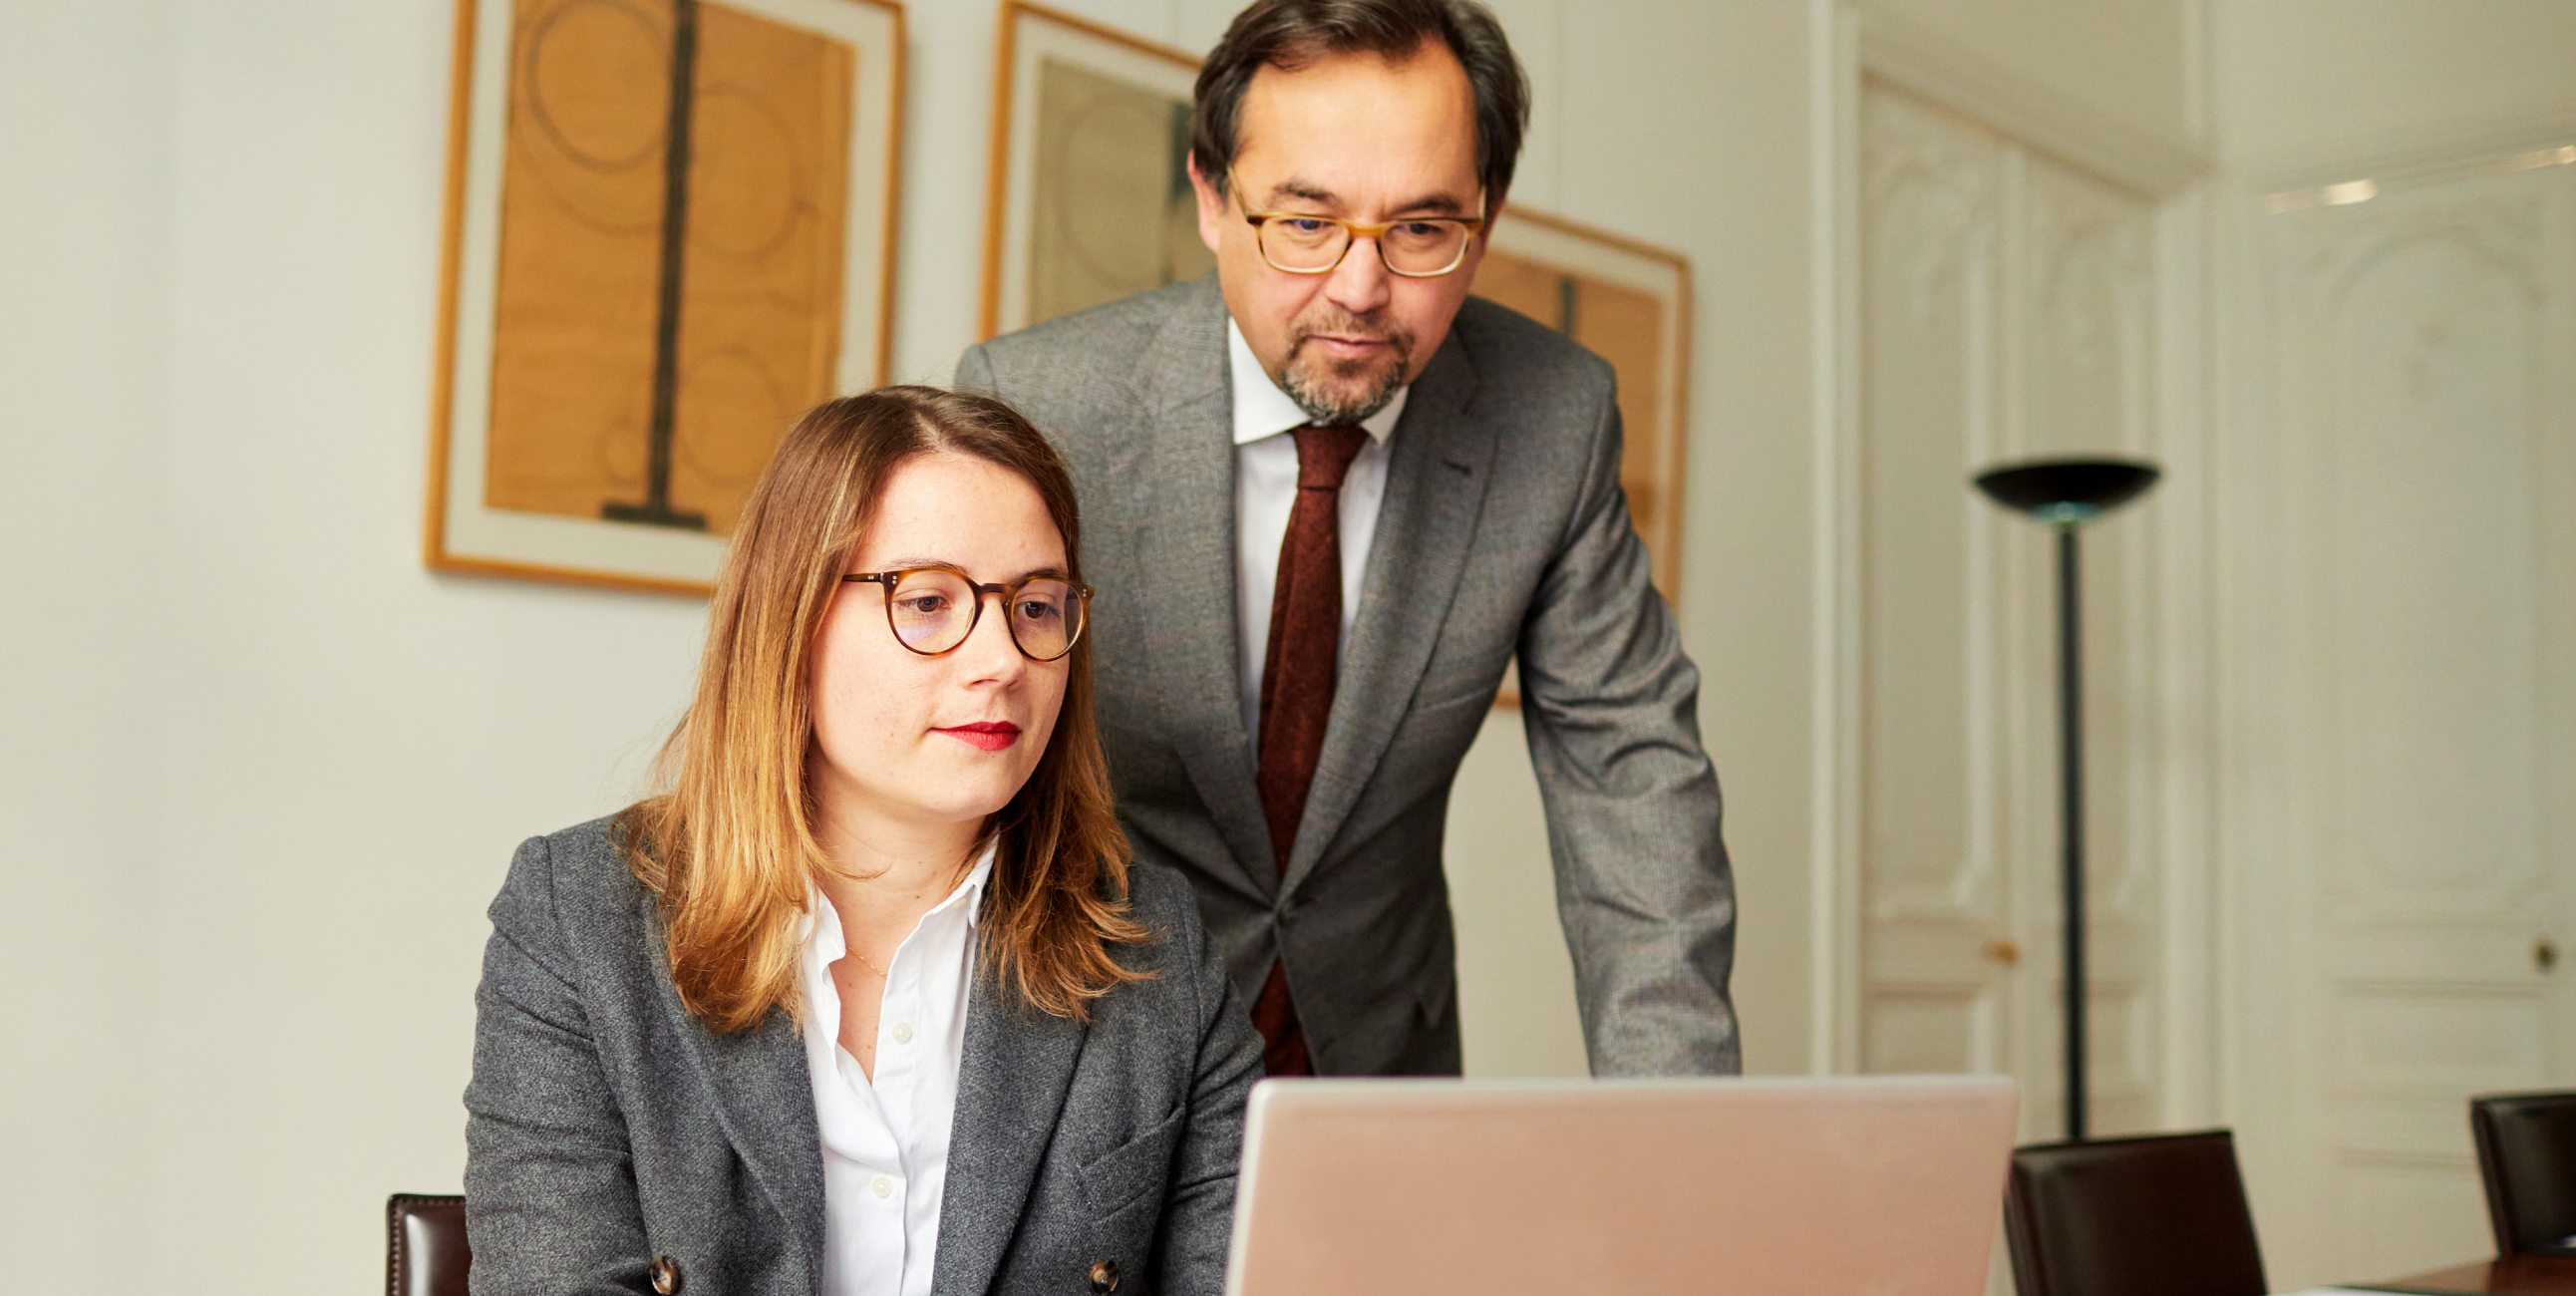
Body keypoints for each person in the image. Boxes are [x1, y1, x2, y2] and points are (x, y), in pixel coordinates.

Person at [958, 0, 1738, 1079]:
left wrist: (1677, 1128)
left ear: (1484, 223)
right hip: (1089, 1051)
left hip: (1380, 1058)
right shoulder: (1040, 406)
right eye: (1305, 221)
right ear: (1211, 198)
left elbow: (1632, 778)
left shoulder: (1553, 418)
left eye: (1420, 230)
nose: (1360, 290)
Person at [463, 387, 1262, 1296]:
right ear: (790, 622)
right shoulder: (578, 920)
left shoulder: (1156, 945)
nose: (1003, 660)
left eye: (1037, 607)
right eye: (928, 601)